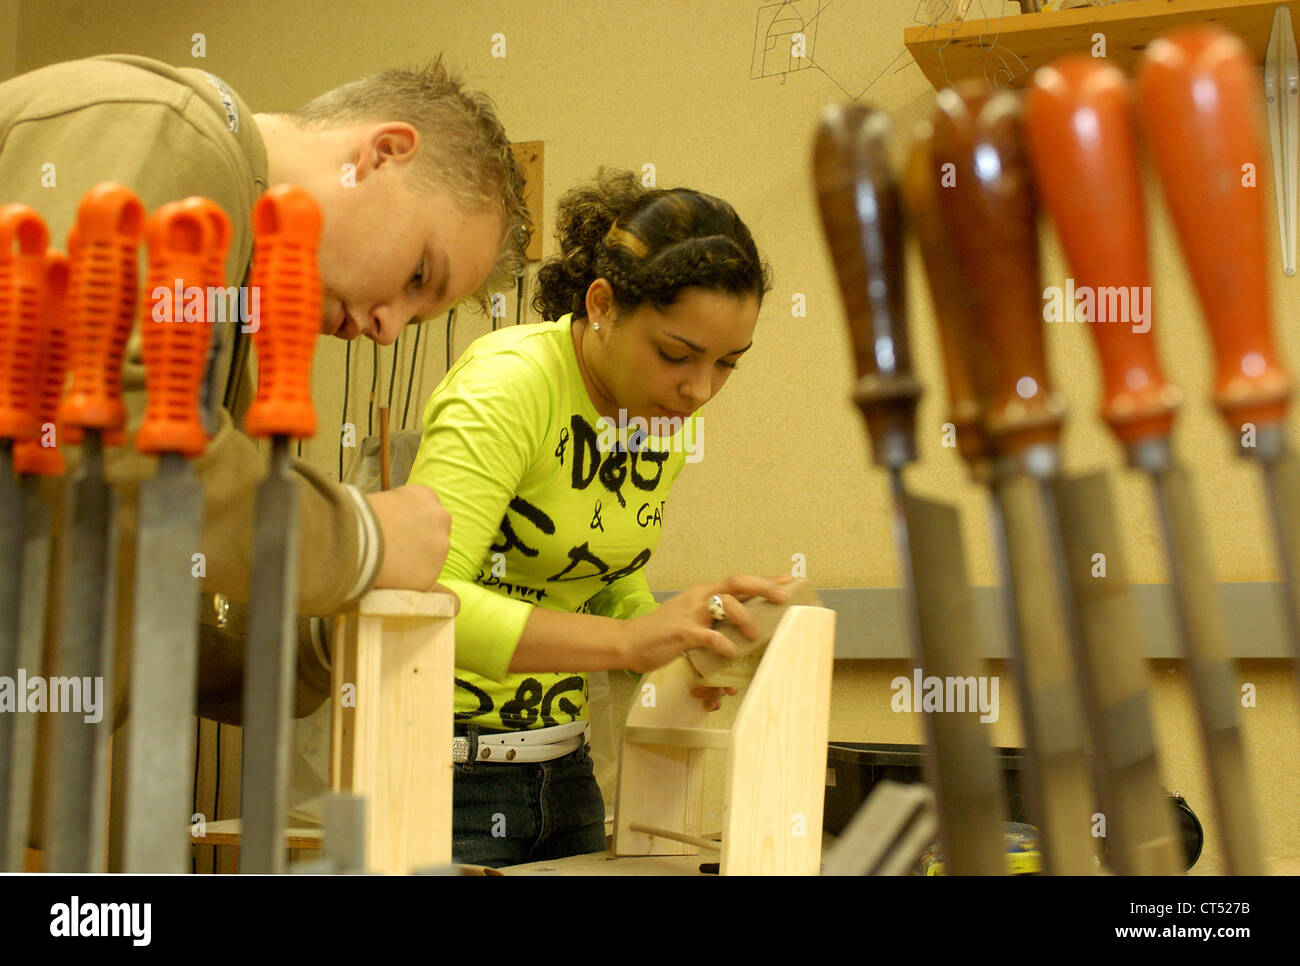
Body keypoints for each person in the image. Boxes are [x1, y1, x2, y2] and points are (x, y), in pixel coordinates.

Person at [0, 53, 530, 846]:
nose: (388, 328)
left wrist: (330, 625)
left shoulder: (233, 299)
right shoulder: (170, 128)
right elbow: (99, 424)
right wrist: (363, 538)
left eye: (418, 317)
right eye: (419, 274)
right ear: (382, 153)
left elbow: (156, 580)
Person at [406, 168, 790, 868]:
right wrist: (625, 644)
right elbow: (424, 602)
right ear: (604, 304)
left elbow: (606, 582)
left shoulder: (656, 416)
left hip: (567, 773)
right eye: (676, 354)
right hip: (446, 777)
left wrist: (680, 641)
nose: (697, 391)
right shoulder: (511, 385)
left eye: (728, 363)